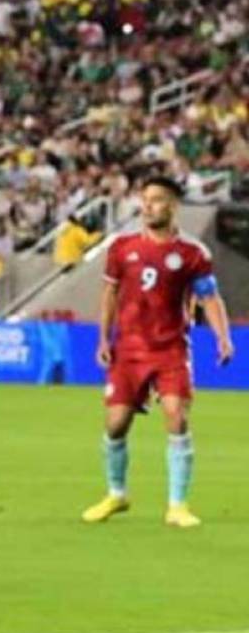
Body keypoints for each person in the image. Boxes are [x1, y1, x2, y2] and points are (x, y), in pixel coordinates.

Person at [82, 176, 235, 528]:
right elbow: (109, 296)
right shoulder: (121, 248)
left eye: (157, 200)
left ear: (172, 205)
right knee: (116, 423)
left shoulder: (192, 253)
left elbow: (209, 297)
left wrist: (222, 338)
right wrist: (103, 339)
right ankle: (116, 494)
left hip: (171, 349)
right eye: (145, 199)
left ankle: (177, 505)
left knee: (176, 416)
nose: (148, 206)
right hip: (129, 349)